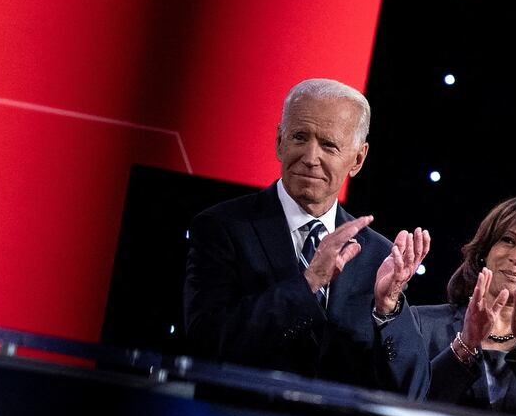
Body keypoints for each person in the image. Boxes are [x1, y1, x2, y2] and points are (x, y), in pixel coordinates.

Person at [182, 78, 430, 391]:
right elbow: (206, 340)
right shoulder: (223, 227)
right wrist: (309, 283)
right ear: (279, 142)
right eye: (300, 137)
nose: (311, 157)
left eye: (329, 145)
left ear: (357, 159)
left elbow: (413, 387)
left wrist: (389, 309)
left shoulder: (378, 255)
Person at [411, 195, 516, 414]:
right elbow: (410, 404)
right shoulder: (422, 325)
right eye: (508, 240)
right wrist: (465, 345)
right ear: (485, 251)